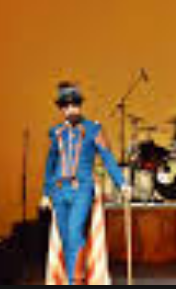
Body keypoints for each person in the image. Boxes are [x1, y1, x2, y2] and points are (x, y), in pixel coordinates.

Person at [40, 82, 130, 285]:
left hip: (81, 189)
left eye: (74, 105)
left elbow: (107, 157)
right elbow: (50, 164)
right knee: (66, 239)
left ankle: (75, 281)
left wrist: (122, 183)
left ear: (80, 106)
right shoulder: (56, 132)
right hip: (59, 191)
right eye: (66, 106)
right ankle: (73, 279)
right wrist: (46, 193)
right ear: (62, 109)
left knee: (75, 233)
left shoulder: (93, 129)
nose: (71, 109)